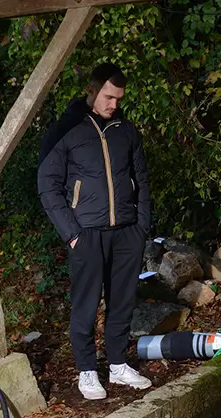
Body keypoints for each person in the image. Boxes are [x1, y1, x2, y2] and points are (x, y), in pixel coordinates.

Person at [38, 63, 152, 400]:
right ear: (92, 90)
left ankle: (117, 364)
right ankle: (87, 371)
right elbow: (47, 184)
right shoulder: (66, 129)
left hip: (127, 233)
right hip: (86, 233)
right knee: (86, 304)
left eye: (118, 98)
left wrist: (141, 225)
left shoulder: (125, 130)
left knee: (122, 303)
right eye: (108, 96)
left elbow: (141, 179)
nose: (114, 104)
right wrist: (71, 232)